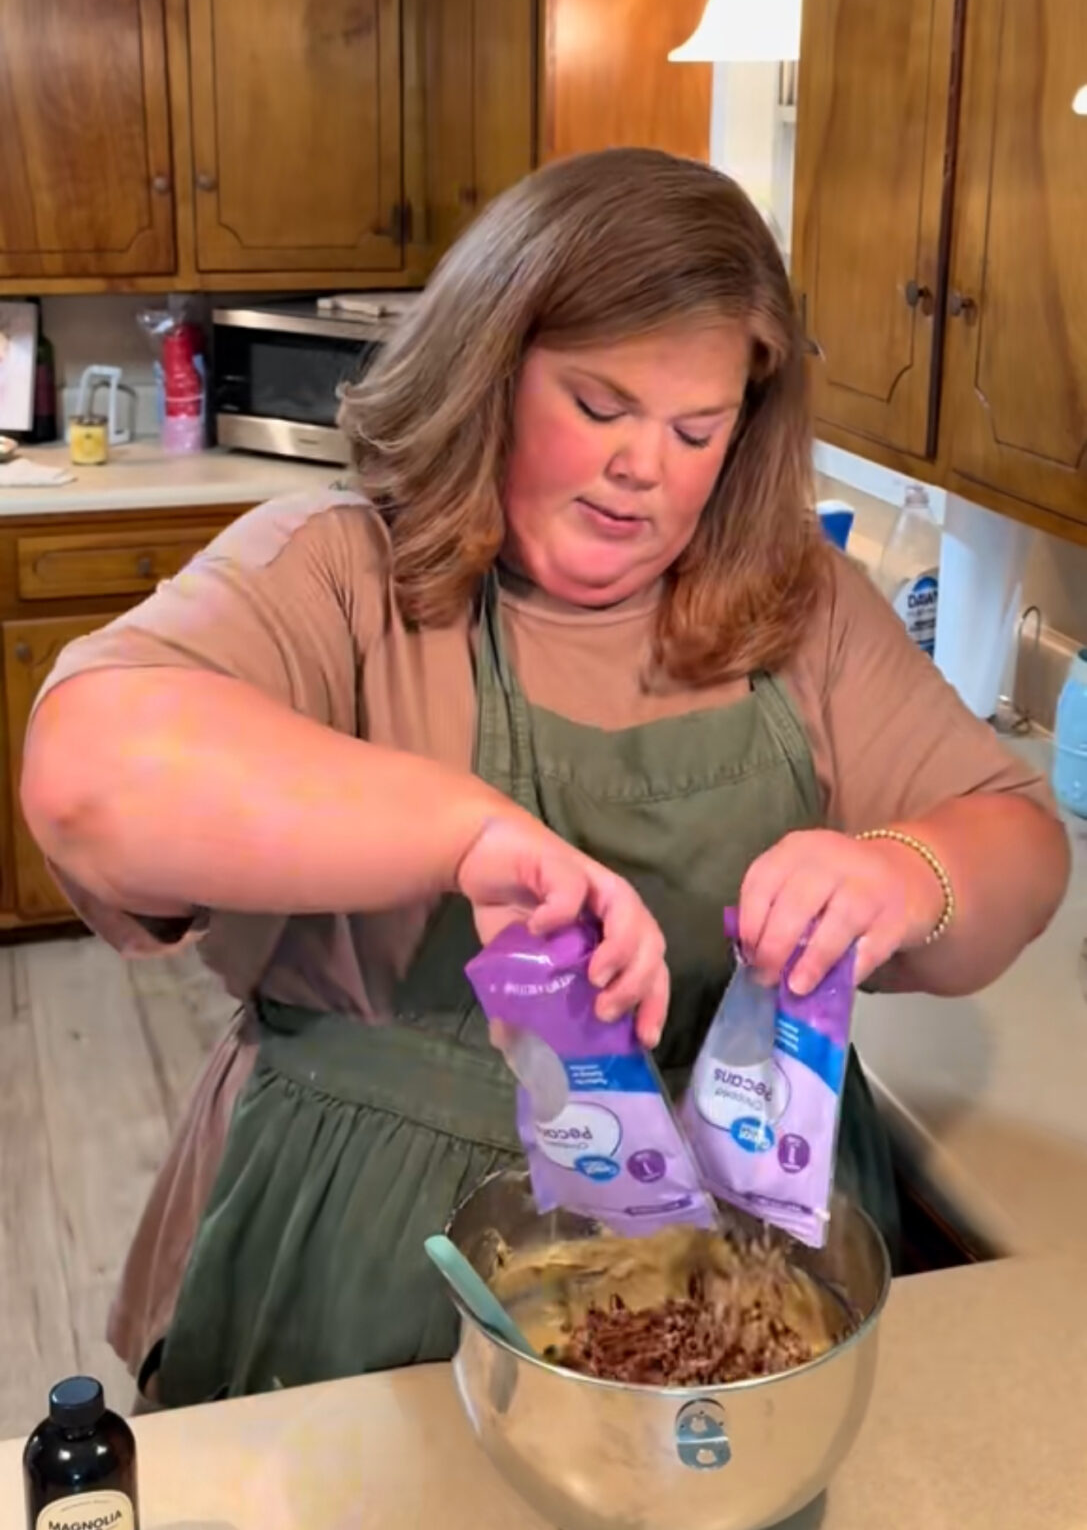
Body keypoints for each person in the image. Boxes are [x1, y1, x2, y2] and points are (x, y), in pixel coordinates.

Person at [22, 149, 1068, 1406]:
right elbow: (89, 779)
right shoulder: (344, 573)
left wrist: (905, 876)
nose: (647, 468)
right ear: (489, 372)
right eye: (600, 405)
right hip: (372, 1250)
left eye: (698, 429)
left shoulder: (804, 607)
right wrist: (464, 833)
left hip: (748, 1257)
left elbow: (1017, 840)